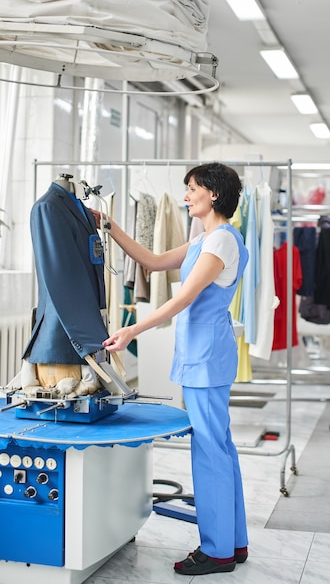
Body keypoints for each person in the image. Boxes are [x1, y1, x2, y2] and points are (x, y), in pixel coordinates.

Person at [93, 162, 249, 576]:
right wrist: (108, 225)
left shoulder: (223, 243)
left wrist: (132, 330)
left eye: (192, 188)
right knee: (220, 446)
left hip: (208, 358)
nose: (185, 194)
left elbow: (182, 299)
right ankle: (234, 541)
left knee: (210, 450)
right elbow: (154, 260)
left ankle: (217, 552)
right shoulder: (206, 238)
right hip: (202, 355)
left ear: (213, 194)